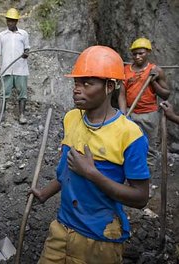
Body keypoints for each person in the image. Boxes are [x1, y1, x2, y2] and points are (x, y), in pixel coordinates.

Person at [31, 46, 150, 263]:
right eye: (76, 82)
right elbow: (68, 169)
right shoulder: (71, 118)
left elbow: (140, 198)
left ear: (109, 86)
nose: (77, 89)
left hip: (100, 239)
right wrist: (45, 193)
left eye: (87, 83)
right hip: (61, 229)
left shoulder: (129, 135)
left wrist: (92, 174)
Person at [118, 37, 170, 166]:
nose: (137, 56)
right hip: (131, 113)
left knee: (149, 150)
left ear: (148, 52)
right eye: (135, 54)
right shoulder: (125, 70)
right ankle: (132, 178)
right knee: (129, 146)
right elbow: (122, 94)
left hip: (149, 115)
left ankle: (147, 182)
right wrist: (124, 114)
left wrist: (153, 81)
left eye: (141, 53)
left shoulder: (156, 70)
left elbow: (166, 94)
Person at [0, 7, 30, 125]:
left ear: (16, 21)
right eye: (8, 20)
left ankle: (22, 115)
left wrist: (25, 54)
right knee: (3, 93)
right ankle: (0, 116)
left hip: (21, 70)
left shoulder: (23, 34)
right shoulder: (2, 35)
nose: (10, 23)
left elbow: (27, 48)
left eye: (12, 21)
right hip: (7, 69)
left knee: (22, 94)